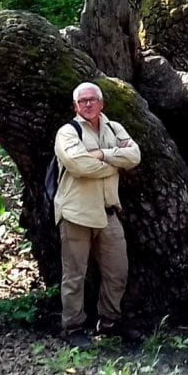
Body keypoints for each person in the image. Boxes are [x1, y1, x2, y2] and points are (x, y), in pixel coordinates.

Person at [54, 82, 141, 346]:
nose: (88, 104)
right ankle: (73, 328)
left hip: (108, 213)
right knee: (74, 274)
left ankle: (109, 322)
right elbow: (78, 165)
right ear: (75, 106)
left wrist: (103, 154)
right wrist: (114, 165)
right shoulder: (68, 133)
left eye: (92, 100)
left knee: (118, 271)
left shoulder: (115, 128)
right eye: (82, 101)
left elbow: (134, 155)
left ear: (101, 103)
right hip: (76, 213)